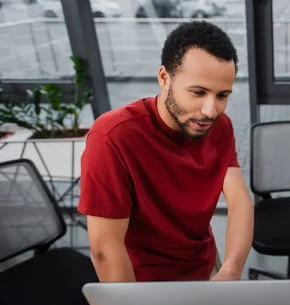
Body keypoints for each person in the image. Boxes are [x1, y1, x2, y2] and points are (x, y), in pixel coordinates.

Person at [78, 21, 254, 283]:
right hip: (143, 282)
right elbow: (105, 250)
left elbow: (239, 200)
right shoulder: (113, 136)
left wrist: (232, 269)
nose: (210, 110)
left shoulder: (219, 125)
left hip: (206, 265)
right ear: (164, 78)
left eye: (222, 95)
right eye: (198, 92)